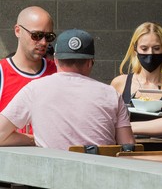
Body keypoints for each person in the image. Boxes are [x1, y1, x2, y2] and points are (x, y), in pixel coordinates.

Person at [0, 29, 135, 150]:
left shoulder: (34, 89)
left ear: (56, 60)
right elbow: (128, 146)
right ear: (90, 62)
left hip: (52, 174)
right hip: (100, 174)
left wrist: (33, 140)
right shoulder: (111, 94)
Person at [111, 22, 162, 138]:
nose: (150, 53)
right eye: (144, 48)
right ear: (135, 50)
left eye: (156, 48)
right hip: (128, 152)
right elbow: (109, 119)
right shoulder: (120, 83)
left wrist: (127, 127)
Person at [0, 6, 57, 133]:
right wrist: (33, 140)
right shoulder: (2, 72)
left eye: (49, 37)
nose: (43, 42)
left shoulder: (58, 72)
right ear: (18, 31)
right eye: (36, 35)